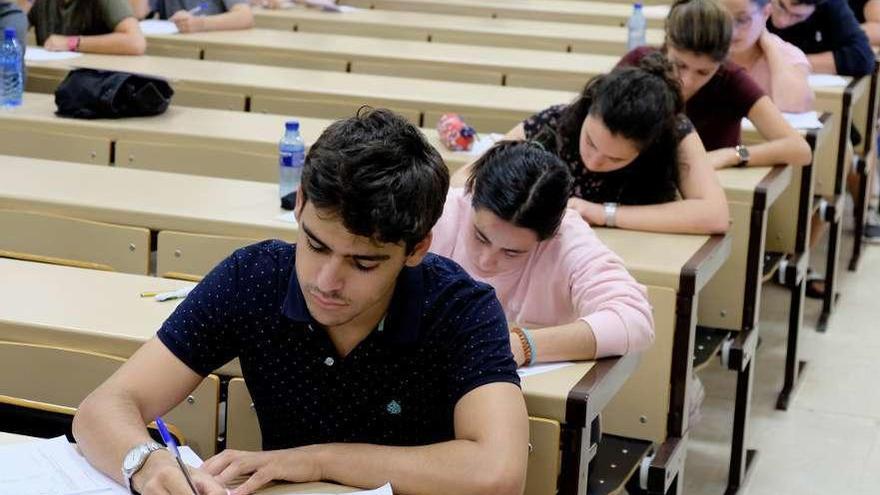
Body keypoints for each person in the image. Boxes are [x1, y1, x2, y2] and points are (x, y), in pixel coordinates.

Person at [72, 109, 529, 495]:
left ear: (416, 249)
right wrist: (147, 464)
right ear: (301, 203)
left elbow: (498, 470)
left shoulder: (462, 308)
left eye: (363, 264)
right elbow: (103, 407)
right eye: (315, 245)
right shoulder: (253, 278)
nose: (326, 282)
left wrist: (317, 460)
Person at [453, 54, 730, 235]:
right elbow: (464, 178)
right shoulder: (556, 122)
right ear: (588, 108)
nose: (595, 161)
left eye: (616, 159)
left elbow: (715, 214)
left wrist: (601, 213)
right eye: (590, 142)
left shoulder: (673, 132)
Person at [433, 140, 654, 366]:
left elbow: (634, 320)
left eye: (512, 252)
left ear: (548, 236)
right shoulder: (440, 212)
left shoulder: (566, 240)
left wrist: (522, 345)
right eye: (480, 237)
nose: (486, 260)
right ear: (472, 193)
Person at [620, 0, 813, 171]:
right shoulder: (640, 62)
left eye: (703, 72)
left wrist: (731, 155)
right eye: (679, 65)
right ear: (668, 43)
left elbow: (799, 149)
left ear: (723, 60)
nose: (687, 81)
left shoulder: (730, 79)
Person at [721, 0, 815, 112]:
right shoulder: (702, 49)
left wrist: (769, 44)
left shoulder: (787, 54)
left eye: (742, 20)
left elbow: (795, 105)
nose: (732, 31)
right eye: (721, 20)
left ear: (766, 13)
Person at [767, 0, 874, 76]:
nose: (783, 21)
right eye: (781, 5)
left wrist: (794, 62)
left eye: (797, 16)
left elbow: (862, 57)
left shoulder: (831, 4)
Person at [21, 0, 145, 54]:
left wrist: (71, 43)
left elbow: (135, 42)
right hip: (50, 77)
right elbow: (9, 32)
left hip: (92, 84)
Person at [141, 0, 253, 32]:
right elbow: (139, 12)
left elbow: (245, 16)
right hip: (170, 51)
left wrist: (199, 24)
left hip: (212, 52)